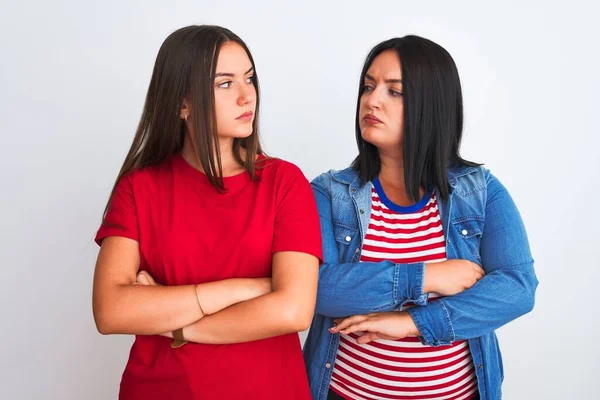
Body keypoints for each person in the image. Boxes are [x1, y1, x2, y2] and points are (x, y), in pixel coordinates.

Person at [92, 25, 322, 399]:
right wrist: (250, 289)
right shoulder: (139, 188)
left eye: (249, 79)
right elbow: (111, 310)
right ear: (183, 103)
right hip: (161, 389)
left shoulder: (284, 181)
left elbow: (293, 311)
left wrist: (177, 326)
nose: (247, 96)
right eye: (225, 84)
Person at [303, 35, 538, 400]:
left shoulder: (480, 190)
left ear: (432, 104)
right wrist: (426, 276)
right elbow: (315, 290)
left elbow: (518, 288)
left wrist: (411, 322)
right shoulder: (329, 193)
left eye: (394, 91)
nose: (372, 100)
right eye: (369, 86)